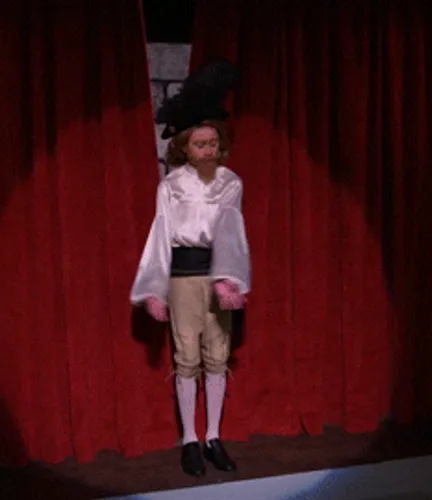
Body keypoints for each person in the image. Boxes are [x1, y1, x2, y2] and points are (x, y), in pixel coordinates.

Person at [130, 58, 250, 477]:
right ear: (183, 146)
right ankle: (190, 441)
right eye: (200, 144)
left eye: (213, 143)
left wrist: (230, 279)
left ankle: (214, 436)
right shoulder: (171, 185)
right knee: (186, 358)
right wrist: (153, 289)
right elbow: (160, 235)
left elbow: (232, 232)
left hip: (217, 278)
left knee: (217, 357)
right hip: (182, 279)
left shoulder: (230, 182)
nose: (208, 150)